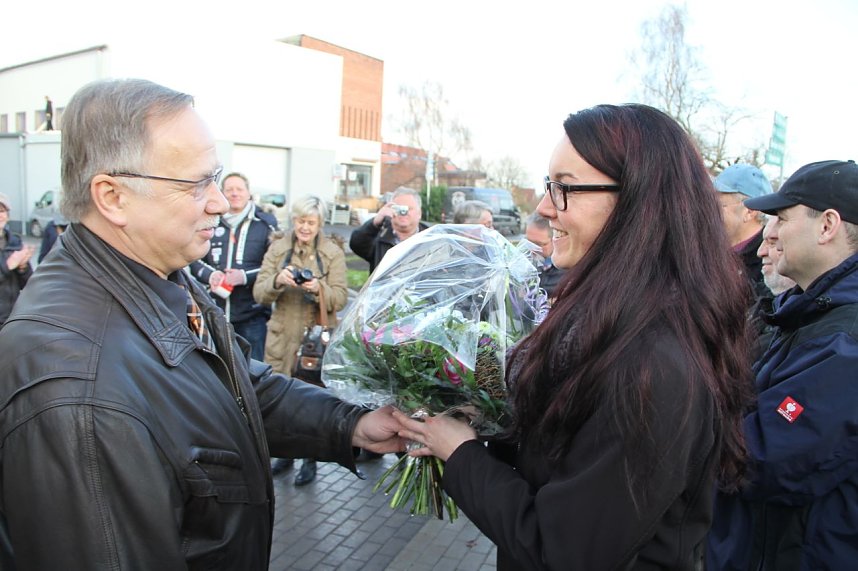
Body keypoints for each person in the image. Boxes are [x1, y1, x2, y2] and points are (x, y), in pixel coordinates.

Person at [0, 78, 402, 570]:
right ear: (113, 197)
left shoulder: (157, 274)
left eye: (215, 179)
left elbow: (237, 388)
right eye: (194, 184)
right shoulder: (77, 392)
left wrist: (352, 423)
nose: (219, 202)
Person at [394, 104, 755, 570]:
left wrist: (460, 453)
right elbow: (562, 455)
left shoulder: (653, 363)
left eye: (564, 187)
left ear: (638, 202)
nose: (545, 207)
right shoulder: (610, 316)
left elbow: (565, 552)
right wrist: (480, 414)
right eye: (549, 185)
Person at [708, 159, 858, 570]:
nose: (768, 232)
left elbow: (758, 456)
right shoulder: (807, 315)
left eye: (781, 218)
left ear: (827, 226)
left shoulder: (846, 342)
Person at [253, 195, 348, 485]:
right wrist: (277, 281)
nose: (304, 227)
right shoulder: (278, 248)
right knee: (280, 400)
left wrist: (318, 288)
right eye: (300, 221)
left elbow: (341, 298)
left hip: (313, 342)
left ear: (320, 224)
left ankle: (310, 459)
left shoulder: (331, 253)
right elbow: (259, 293)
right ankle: (285, 455)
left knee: (311, 401)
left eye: (310, 222)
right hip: (281, 339)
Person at [189, 172, 278, 360]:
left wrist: (244, 276)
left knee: (253, 369)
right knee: (217, 366)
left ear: (248, 193)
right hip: (214, 312)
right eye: (229, 190)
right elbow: (193, 258)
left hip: (252, 315)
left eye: (239, 189)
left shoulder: (265, 225)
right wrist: (210, 275)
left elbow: (276, 266)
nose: (235, 193)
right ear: (222, 193)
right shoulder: (209, 222)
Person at [715, 163, 773, 299]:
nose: (709, 211)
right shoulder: (707, 248)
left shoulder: (770, 265)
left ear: (749, 211)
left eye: (718, 205)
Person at [349, 187, 428, 274]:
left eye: (408, 208)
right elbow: (356, 244)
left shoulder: (431, 238)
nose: (403, 213)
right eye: (399, 208)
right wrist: (375, 222)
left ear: (419, 213)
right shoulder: (380, 237)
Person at [0, 193, 35, 324]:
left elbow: (28, 284)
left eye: (2, 211)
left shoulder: (15, 242)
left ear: (8, 216)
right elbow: (8, 266)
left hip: (12, 318)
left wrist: (23, 268)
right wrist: (8, 265)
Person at [524, 212, 565, 300]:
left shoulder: (568, 270)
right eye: (529, 242)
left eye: (539, 244)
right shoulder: (522, 265)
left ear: (555, 239)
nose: (532, 249)